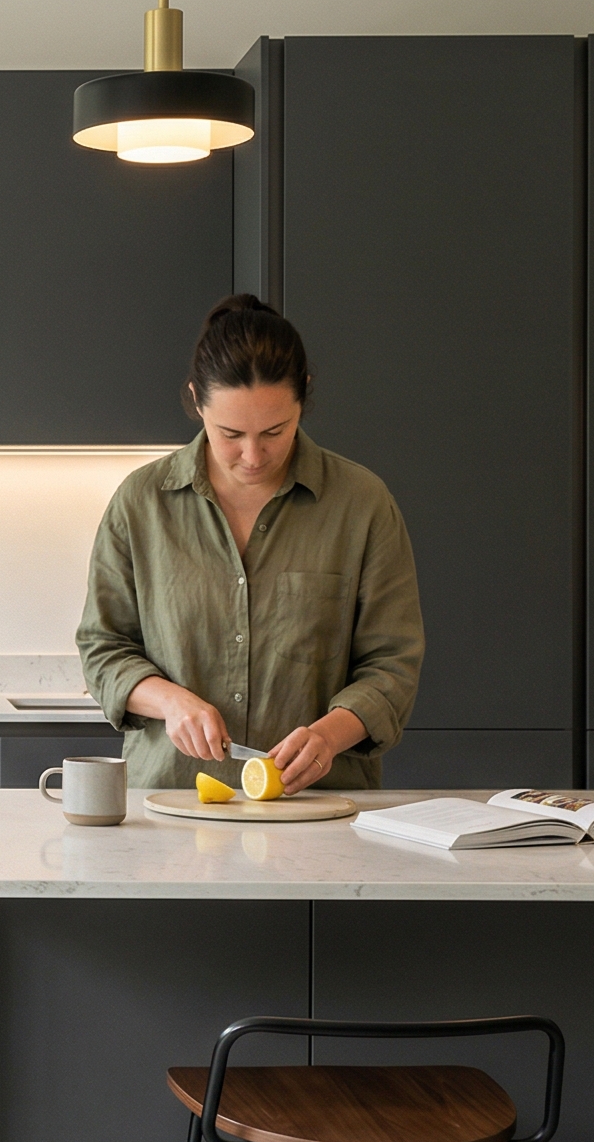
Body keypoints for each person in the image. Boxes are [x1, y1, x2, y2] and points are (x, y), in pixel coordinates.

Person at [76, 295, 422, 792]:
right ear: (197, 401)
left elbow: (393, 665)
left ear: (303, 395)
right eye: (230, 433)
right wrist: (171, 701)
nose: (253, 455)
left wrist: (329, 735)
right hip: (170, 804)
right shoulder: (141, 504)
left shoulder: (362, 505)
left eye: (275, 431)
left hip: (319, 813)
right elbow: (102, 648)